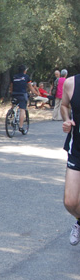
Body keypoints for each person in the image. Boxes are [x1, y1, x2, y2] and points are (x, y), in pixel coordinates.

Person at [61, 74, 80, 245]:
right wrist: (67, 120)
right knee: (70, 202)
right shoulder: (71, 83)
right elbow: (64, 105)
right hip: (77, 149)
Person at [11, 65, 37, 133]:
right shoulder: (26, 77)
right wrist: (36, 93)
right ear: (25, 71)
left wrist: (11, 92)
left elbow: (11, 86)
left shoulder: (14, 76)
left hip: (14, 94)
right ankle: (21, 127)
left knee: (14, 104)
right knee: (22, 109)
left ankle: (12, 114)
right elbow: (30, 87)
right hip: (22, 94)